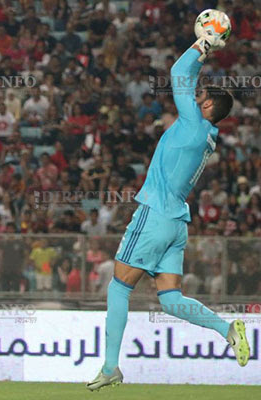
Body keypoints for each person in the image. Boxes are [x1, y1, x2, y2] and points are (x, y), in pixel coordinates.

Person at [86, 32, 249, 391]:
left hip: (156, 214)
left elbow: (179, 71)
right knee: (171, 300)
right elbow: (188, 82)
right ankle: (227, 330)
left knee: (118, 288)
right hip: (177, 223)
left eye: (201, 96)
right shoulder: (207, 135)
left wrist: (204, 44)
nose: (194, 95)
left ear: (207, 108)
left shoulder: (193, 124)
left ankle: (111, 366)